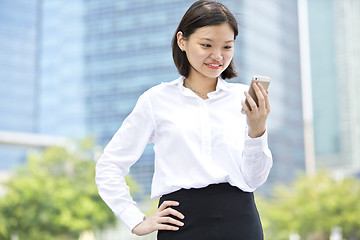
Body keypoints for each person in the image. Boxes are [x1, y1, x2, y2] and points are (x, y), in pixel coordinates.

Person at [95, 0, 273, 239]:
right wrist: (135, 220)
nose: (217, 56)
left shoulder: (242, 100)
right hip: (180, 224)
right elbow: (109, 165)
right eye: (206, 44)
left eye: (227, 47)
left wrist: (257, 131)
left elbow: (254, 179)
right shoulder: (156, 100)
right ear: (182, 41)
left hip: (240, 222)